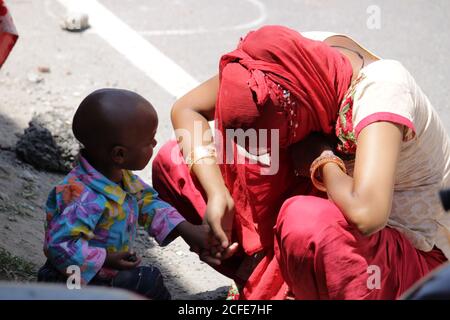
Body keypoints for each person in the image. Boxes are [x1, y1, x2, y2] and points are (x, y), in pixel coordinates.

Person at [152, 25, 450, 299]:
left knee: (304, 221)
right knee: (176, 161)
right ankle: (260, 275)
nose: (265, 151)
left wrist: (322, 159)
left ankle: (298, 284)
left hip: (407, 257)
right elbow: (187, 110)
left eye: (279, 140)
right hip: (332, 203)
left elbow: (368, 215)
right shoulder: (282, 64)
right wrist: (218, 194)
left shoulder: (382, 90)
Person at [37, 88, 213, 300]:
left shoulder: (121, 178)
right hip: (71, 281)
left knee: (143, 282)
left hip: (103, 273)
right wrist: (105, 260)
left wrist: (185, 229)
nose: (155, 144)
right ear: (119, 154)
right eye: (150, 140)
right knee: (146, 282)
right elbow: (60, 246)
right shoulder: (81, 196)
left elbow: (147, 202)